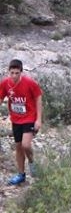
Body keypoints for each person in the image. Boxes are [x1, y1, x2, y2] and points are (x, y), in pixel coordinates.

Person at [0, 57, 42, 185]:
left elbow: (38, 98)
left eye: (17, 73)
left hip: (29, 118)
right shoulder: (5, 83)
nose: (14, 76)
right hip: (16, 119)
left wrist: (39, 119)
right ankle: (21, 175)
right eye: (12, 73)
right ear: (9, 72)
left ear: (21, 72)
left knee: (26, 145)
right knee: (18, 147)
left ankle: (32, 162)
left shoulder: (30, 83)